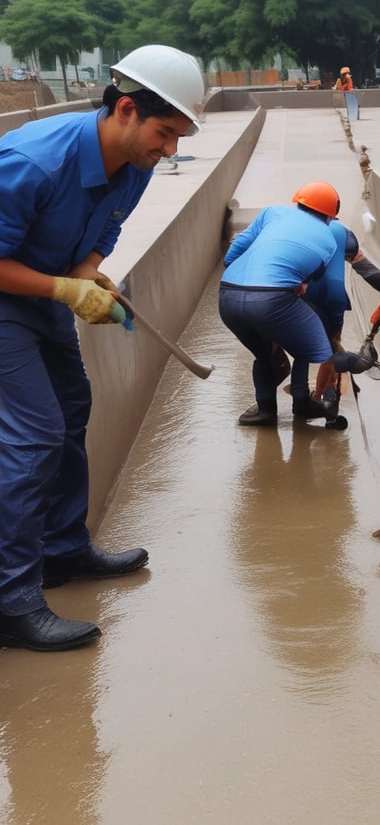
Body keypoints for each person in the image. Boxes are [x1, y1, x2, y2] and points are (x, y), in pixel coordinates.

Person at [0, 43, 205, 651]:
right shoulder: (34, 163)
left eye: (177, 138)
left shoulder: (135, 166)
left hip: (45, 298)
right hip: (9, 303)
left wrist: (86, 270)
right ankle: (11, 601)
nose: (170, 150)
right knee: (33, 434)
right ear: (123, 109)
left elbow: (106, 229)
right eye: (165, 133)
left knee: (71, 415)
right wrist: (65, 287)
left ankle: (62, 552)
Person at [219, 181, 342, 427]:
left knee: (262, 354)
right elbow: (312, 277)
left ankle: (265, 409)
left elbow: (231, 256)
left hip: (228, 297)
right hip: (272, 299)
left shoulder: (271, 213)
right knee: (310, 347)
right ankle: (304, 402)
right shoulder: (329, 239)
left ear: (298, 202)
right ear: (330, 216)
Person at [304, 220, 380, 400]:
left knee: (303, 350)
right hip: (335, 296)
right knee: (331, 345)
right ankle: (323, 394)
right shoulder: (342, 233)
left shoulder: (296, 228)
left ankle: (309, 397)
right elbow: (375, 277)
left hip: (299, 295)